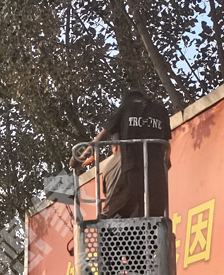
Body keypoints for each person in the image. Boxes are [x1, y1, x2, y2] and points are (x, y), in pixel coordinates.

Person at [73, 89, 172, 219]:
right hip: (157, 172)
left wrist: (79, 158)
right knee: (155, 214)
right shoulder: (161, 111)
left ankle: (107, 220)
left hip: (132, 168)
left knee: (118, 208)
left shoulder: (125, 109)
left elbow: (99, 139)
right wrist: (166, 164)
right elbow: (166, 146)